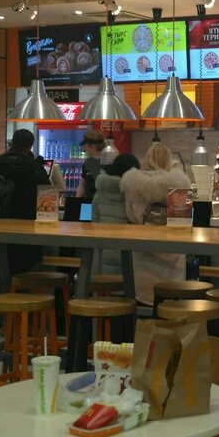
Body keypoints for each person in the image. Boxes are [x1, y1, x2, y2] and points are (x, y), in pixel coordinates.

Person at [121, 142, 192, 306]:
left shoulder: (132, 185)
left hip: (141, 259)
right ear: (168, 161)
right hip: (172, 263)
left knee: (142, 305)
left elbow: (130, 217)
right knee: (171, 307)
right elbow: (183, 225)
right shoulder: (179, 184)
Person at [0, 128, 52, 275]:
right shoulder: (36, 168)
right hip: (28, 230)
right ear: (31, 145)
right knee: (25, 273)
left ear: (12, 143)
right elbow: (48, 204)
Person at [91, 152, 140, 274]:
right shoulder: (134, 196)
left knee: (104, 284)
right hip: (128, 255)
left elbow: (93, 225)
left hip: (102, 253)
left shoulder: (99, 194)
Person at [76, 128, 106, 202]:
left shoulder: (108, 162)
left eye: (86, 146)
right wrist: (77, 202)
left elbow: (82, 185)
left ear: (93, 147)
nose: (84, 149)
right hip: (92, 203)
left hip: (101, 203)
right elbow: (82, 185)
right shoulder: (88, 163)